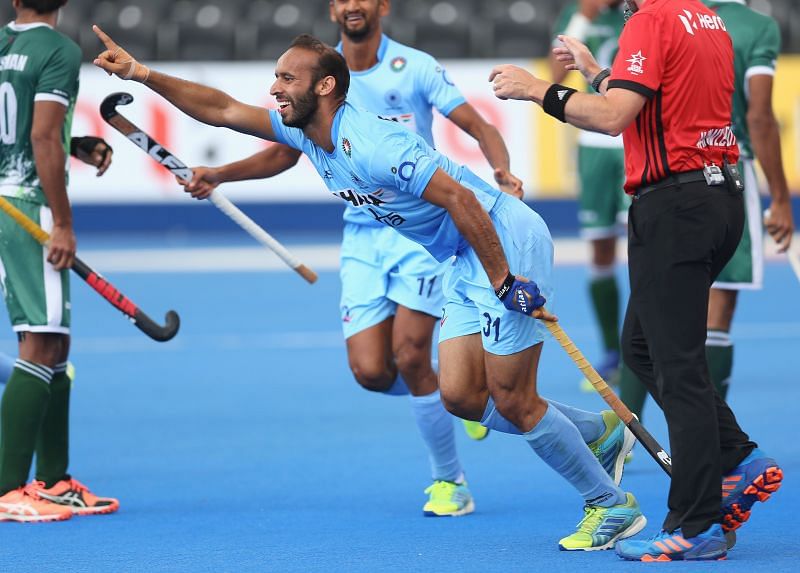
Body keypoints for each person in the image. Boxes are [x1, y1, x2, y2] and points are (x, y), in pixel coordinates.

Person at [94, 28, 646, 550]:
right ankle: (597, 430)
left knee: (513, 398)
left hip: (504, 242)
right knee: (460, 397)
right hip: (460, 255)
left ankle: (609, 503)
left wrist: (503, 279)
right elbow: (219, 110)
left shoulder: (375, 144)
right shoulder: (305, 132)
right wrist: (142, 73)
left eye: (287, 79)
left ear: (325, 86)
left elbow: (462, 199)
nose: (274, 89)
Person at [180, 0, 525, 517]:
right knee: (371, 370)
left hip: (418, 229)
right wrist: (222, 173)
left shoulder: (416, 68)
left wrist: (501, 170)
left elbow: (478, 125)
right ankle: (450, 390)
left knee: (410, 355)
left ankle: (448, 479)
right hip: (362, 235)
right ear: (333, 8)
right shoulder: (311, 76)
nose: (352, 5)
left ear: (381, 5)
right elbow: (282, 149)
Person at [490, 0, 784, 561]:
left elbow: (612, 117)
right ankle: (738, 459)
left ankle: (697, 524)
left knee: (677, 365)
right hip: (719, 198)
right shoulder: (707, 19)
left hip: (675, 204)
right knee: (642, 349)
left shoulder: (649, 20)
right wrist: (594, 71)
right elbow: (655, 100)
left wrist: (537, 89)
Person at [619, 0, 796, 426]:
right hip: (727, 174)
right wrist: (783, 198)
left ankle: (626, 431)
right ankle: (718, 445)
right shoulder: (755, 27)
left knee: (650, 319)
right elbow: (759, 116)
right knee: (715, 316)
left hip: (667, 174)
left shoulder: (678, 19)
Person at [0, 0, 118, 522]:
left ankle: (53, 480)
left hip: (7, 197)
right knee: (42, 339)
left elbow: (26, 130)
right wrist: (63, 223)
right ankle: (7, 490)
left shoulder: (4, 46)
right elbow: (41, 135)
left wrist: (76, 145)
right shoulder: (58, 50)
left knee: (53, 340)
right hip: (28, 203)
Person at [551, 0, 629, 392]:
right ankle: (613, 353)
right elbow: (554, 76)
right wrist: (585, 16)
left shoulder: (643, 10)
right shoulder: (577, 13)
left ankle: (650, 351)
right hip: (595, 146)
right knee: (600, 250)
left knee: (651, 246)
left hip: (637, 140)